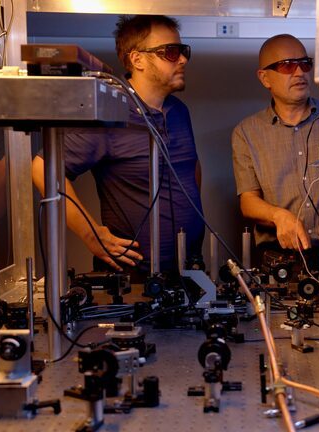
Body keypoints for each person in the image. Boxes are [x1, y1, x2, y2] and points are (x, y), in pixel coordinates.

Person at [32, 15, 204, 281]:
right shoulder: (112, 112)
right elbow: (43, 168)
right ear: (137, 59)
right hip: (136, 278)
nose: (182, 60)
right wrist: (91, 234)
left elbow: (191, 168)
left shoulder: (179, 111)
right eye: (171, 52)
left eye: (183, 51)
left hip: (189, 269)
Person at [231, 34, 319, 256]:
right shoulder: (247, 133)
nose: (299, 72)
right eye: (287, 65)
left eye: (305, 64)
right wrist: (279, 216)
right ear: (265, 78)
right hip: (281, 256)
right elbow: (248, 202)